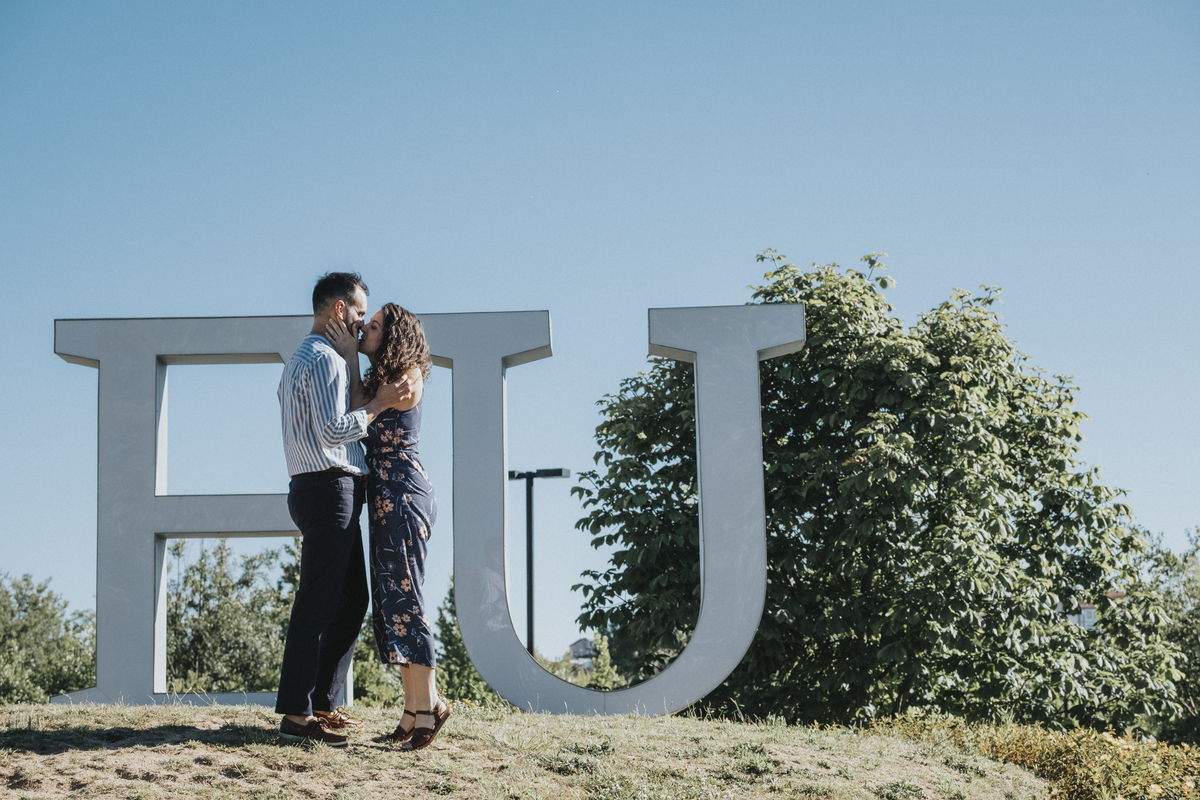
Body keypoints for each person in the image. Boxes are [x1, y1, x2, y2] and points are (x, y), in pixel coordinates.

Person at [276, 273, 413, 747]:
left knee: (351, 598)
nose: (360, 323)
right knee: (316, 601)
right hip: (329, 486)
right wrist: (379, 404)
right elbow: (336, 432)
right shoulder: (325, 361)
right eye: (358, 313)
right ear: (339, 310)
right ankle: (296, 714)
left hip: (315, 487)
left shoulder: (301, 360)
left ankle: (322, 703)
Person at [326, 302, 450, 752]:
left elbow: (366, 410)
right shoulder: (381, 377)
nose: (365, 328)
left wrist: (353, 358)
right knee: (391, 603)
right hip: (386, 499)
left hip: (403, 495)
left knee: (406, 599)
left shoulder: (408, 374)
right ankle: (412, 711)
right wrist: (355, 357)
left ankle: (430, 706)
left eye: (373, 326)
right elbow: (362, 408)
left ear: (393, 335)